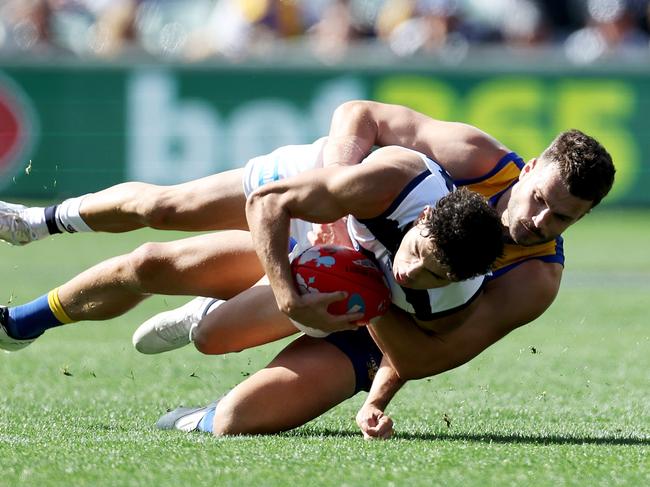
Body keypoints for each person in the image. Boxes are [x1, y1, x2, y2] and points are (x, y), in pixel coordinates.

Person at [0, 100, 615, 438]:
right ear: (530, 168)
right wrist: (333, 197)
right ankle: (32, 250)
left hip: (378, 317)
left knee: (239, 422)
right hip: (325, 210)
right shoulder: (463, 161)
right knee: (158, 233)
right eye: (541, 199)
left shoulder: (535, 280)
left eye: (563, 219)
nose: (539, 222)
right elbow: (358, 116)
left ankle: (214, 341)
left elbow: (428, 358)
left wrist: (372, 308)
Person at [0, 141, 502, 352]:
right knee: (166, 210)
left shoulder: (450, 301)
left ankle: (24, 323)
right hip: (300, 201)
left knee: (155, 270)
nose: (414, 274)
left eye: (435, 276)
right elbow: (268, 204)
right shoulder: (396, 184)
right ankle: (37, 222)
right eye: (417, 253)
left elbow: (416, 360)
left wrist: (362, 314)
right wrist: (285, 293)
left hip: (333, 271)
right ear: (427, 217)